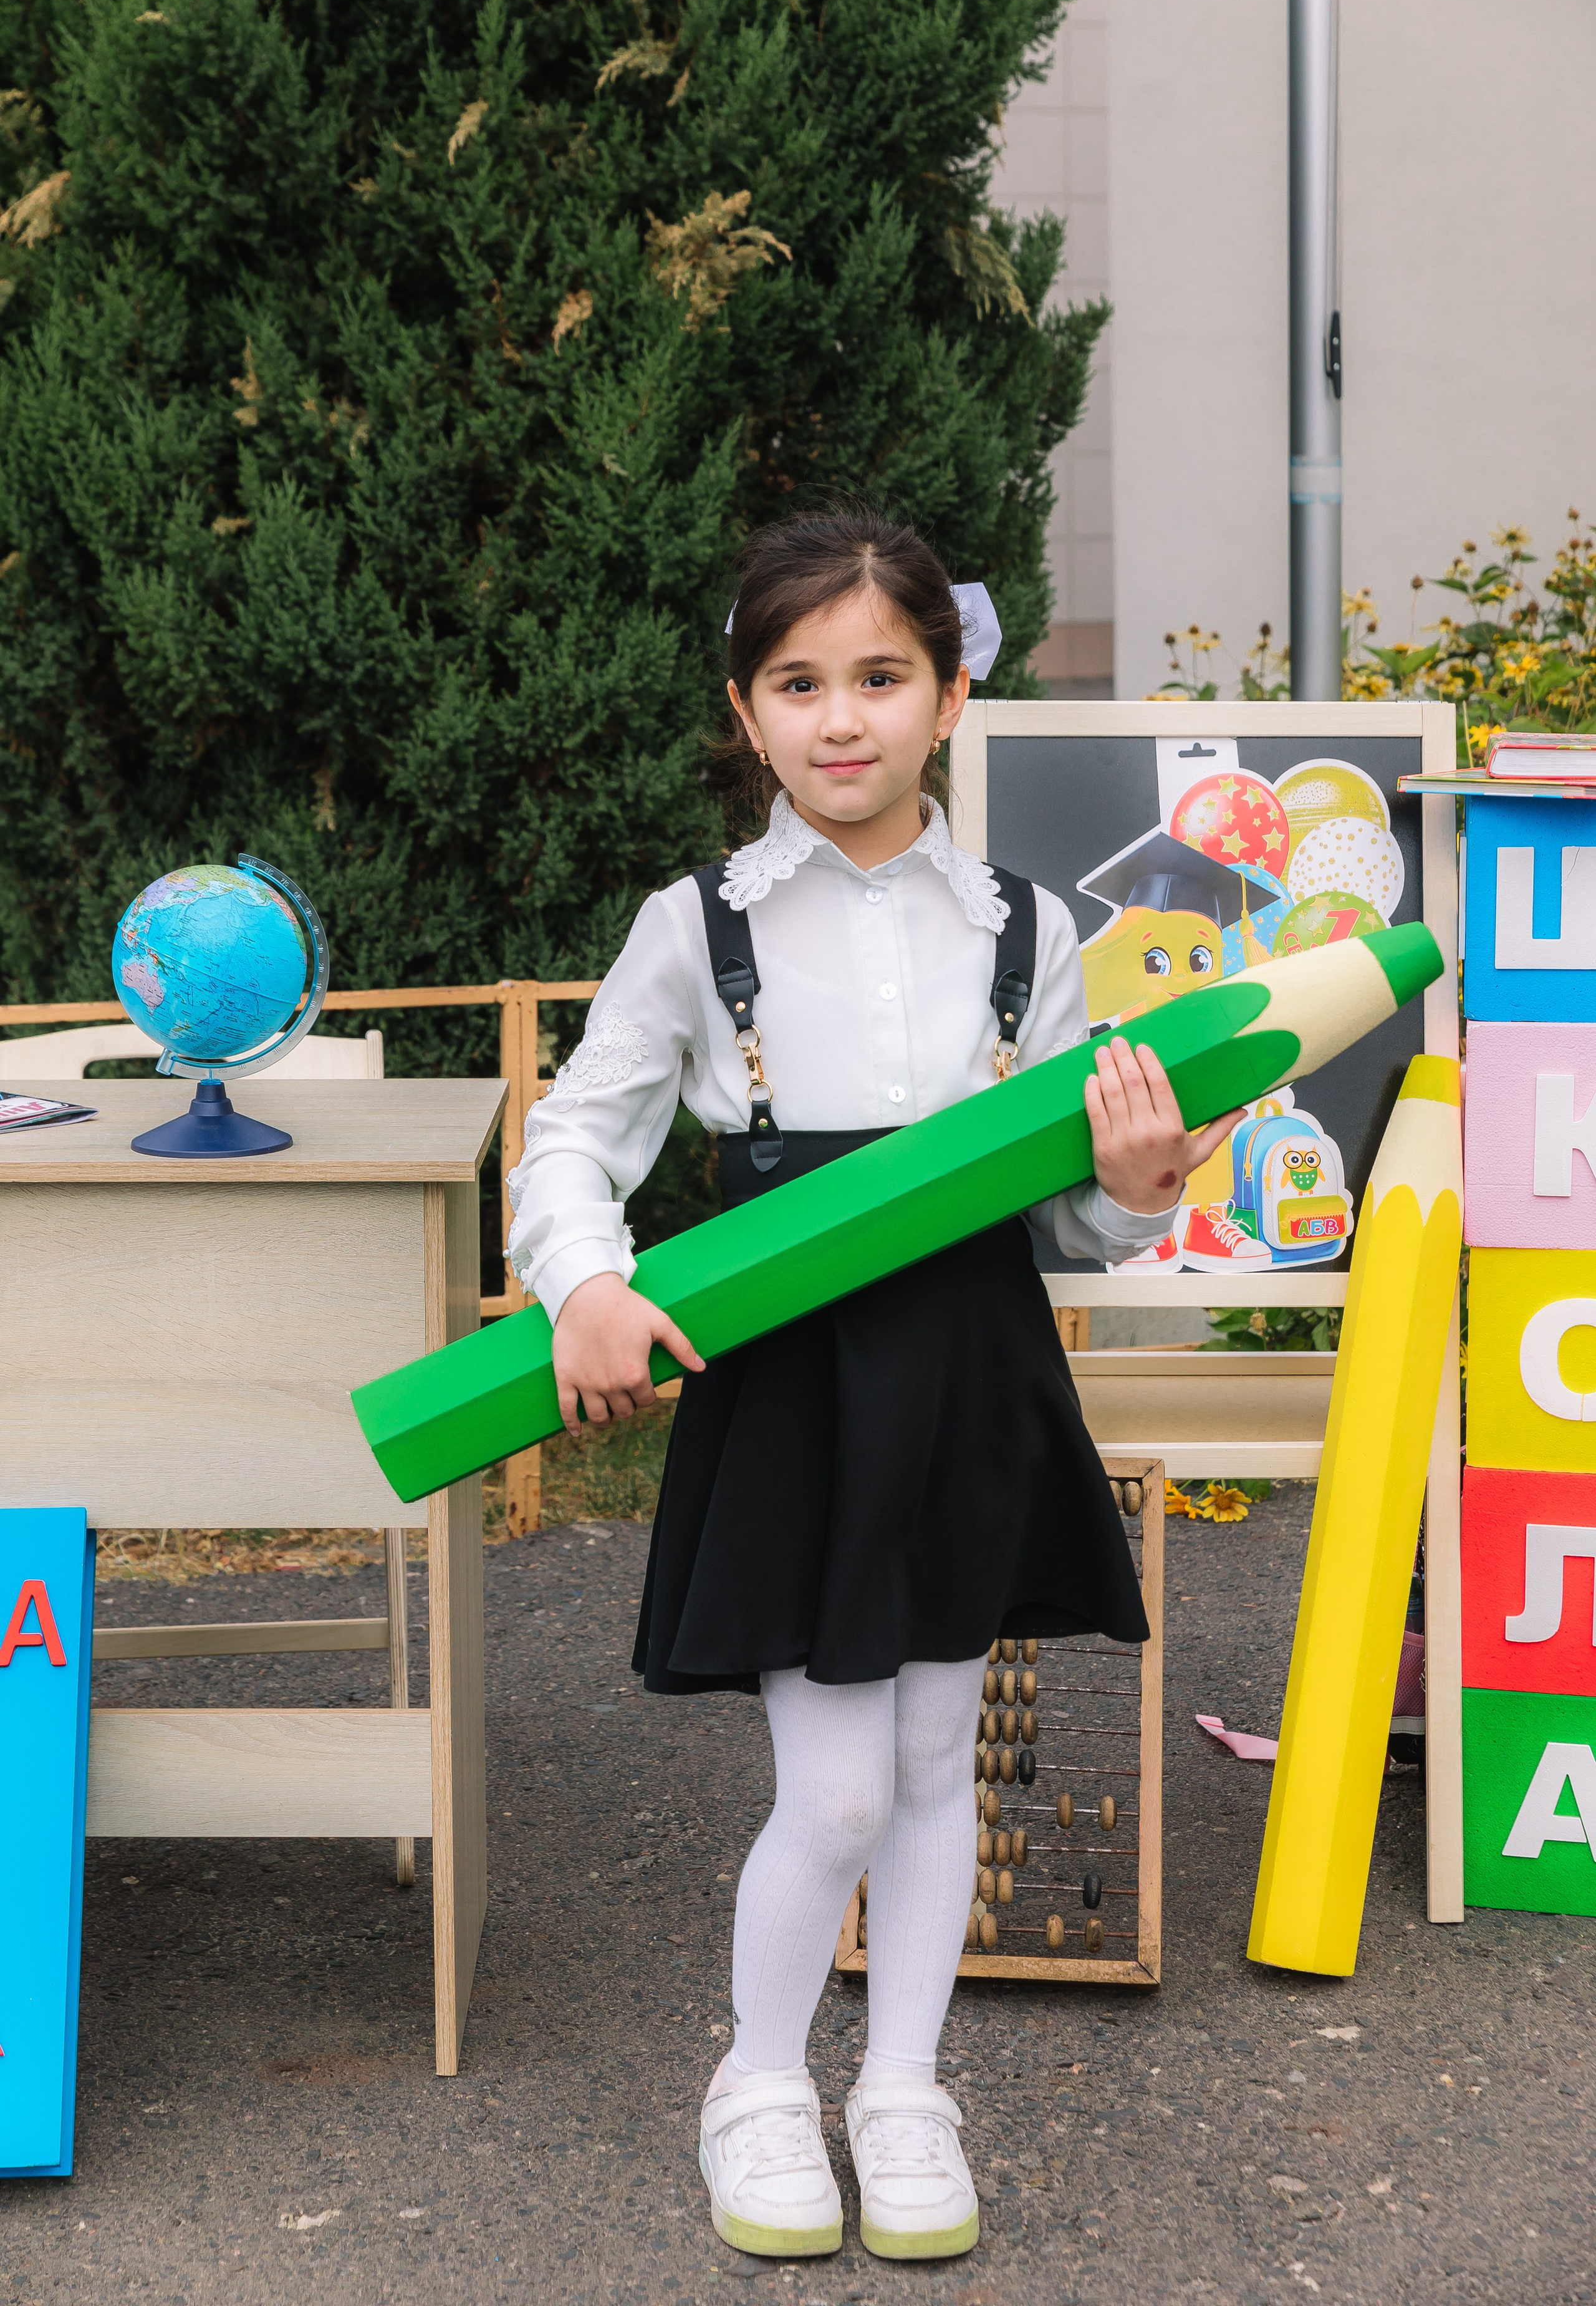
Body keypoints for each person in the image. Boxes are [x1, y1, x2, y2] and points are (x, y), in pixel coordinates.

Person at [505, 508, 1241, 2263]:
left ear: (951, 694)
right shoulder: (695, 927)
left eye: (882, 678)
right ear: (746, 709)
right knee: (833, 1790)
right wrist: (584, 1283)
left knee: (932, 1771)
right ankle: (761, 2083)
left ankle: (905, 2089)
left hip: (970, 1374)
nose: (843, 718)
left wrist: (1141, 1186)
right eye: (800, 682)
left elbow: (1068, 1197)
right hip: (797, 1388)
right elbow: (575, 1141)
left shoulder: (1026, 927)